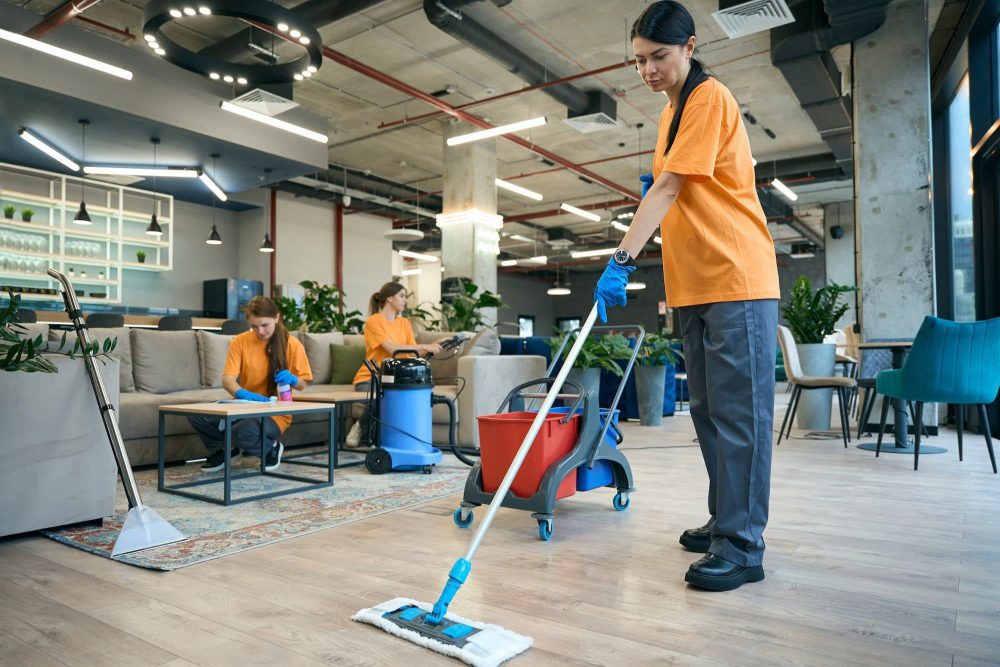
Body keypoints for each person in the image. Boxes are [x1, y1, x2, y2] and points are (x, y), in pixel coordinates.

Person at [594, 1, 779, 592]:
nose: (648, 70)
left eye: (659, 57)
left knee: (738, 416)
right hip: (694, 283)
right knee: (705, 413)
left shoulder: (707, 98)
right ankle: (726, 519)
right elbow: (673, 186)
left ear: (689, 48)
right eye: (640, 61)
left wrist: (622, 257)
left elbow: (671, 186)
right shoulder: (671, 112)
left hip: (736, 277)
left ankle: (743, 545)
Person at [189, 296, 313, 473]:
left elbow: (303, 384)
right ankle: (228, 451)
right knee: (197, 415)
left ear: (276, 318)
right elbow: (228, 380)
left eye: (264, 325)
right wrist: (241, 393)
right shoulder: (240, 341)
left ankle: (271, 448)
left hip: (275, 412)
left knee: (241, 432)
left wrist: (292, 379)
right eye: (254, 326)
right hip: (244, 406)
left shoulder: (292, 344)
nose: (260, 331)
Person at [345, 282, 451, 447]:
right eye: (402, 296)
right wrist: (425, 345)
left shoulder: (404, 324)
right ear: (389, 298)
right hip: (369, 378)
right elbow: (392, 348)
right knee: (382, 396)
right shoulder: (373, 322)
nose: (405, 301)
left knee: (399, 396)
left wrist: (435, 344)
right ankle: (359, 427)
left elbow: (412, 353)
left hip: (395, 378)